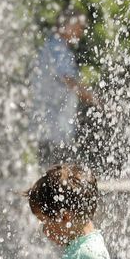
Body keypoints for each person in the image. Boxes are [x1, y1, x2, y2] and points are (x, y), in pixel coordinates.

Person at [32, 11, 95, 166]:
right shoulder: (57, 49)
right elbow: (69, 80)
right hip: (53, 127)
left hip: (53, 126)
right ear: (67, 27)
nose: (81, 33)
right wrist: (95, 100)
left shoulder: (57, 48)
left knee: (54, 175)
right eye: (78, 28)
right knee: (56, 174)